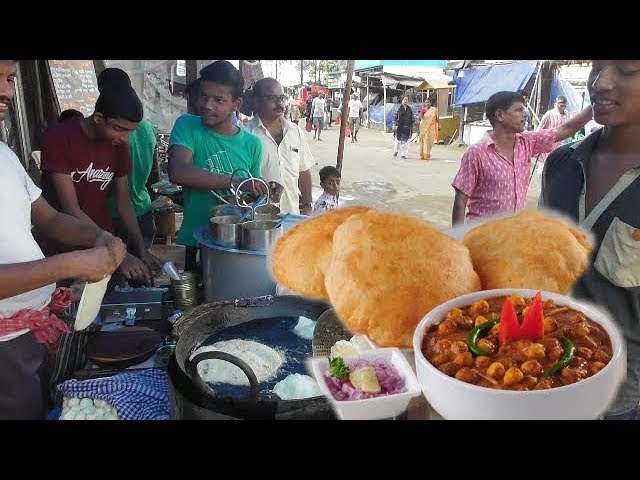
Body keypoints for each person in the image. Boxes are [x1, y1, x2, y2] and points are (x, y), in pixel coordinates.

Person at [0, 60, 126, 419]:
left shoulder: (5, 156)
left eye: (9, 79)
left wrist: (100, 236)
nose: (7, 91)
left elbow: (51, 218)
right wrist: (71, 264)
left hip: (32, 333)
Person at [540, 60, 640, 420]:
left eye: (627, 69)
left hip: (619, 387)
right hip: (539, 366)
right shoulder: (561, 164)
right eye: (597, 66)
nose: (601, 83)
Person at [39, 83, 155, 284]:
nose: (124, 138)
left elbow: (123, 202)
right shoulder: (58, 139)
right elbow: (71, 208)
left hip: (104, 242)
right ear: (99, 118)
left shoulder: (118, 144)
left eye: (130, 132)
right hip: (62, 250)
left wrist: (141, 249)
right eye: (119, 129)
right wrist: (119, 255)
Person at [168, 60, 269, 272]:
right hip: (196, 242)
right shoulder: (187, 126)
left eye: (218, 100)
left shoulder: (252, 144)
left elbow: (250, 197)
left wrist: (264, 190)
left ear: (237, 104)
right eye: (204, 96)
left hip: (235, 245)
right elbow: (178, 172)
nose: (207, 105)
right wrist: (236, 181)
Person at [451, 90, 592, 225]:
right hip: (483, 234)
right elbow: (460, 201)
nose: (525, 115)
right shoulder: (476, 152)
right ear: (500, 115)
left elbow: (566, 128)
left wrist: (596, 105)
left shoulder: (527, 142)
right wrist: (458, 239)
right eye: (518, 110)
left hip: (515, 233)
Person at [97, 68, 161, 262]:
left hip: (115, 216)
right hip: (143, 208)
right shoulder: (148, 128)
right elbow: (154, 174)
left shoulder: (113, 135)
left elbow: (107, 187)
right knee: (140, 278)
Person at [247, 78, 315, 216]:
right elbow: (240, 179)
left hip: (291, 216)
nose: (279, 104)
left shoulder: (295, 132)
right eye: (271, 98)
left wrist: (307, 205)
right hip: (257, 220)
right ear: (256, 100)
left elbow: (303, 171)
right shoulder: (245, 134)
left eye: (282, 98)